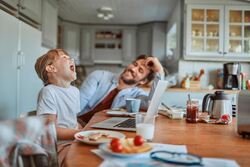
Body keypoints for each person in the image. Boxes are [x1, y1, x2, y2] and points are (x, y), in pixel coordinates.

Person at [78, 55, 165, 124]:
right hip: (78, 122)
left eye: (140, 70)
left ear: (143, 81)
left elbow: (152, 106)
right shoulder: (99, 76)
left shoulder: (137, 95)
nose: (133, 69)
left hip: (103, 130)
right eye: (135, 64)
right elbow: (78, 105)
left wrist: (160, 71)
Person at [35, 49, 81, 166]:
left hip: (74, 141)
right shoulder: (48, 92)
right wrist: (81, 133)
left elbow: (73, 121)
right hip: (57, 147)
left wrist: (86, 131)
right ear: (51, 68)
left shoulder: (75, 91)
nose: (71, 59)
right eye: (65, 57)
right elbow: (50, 131)